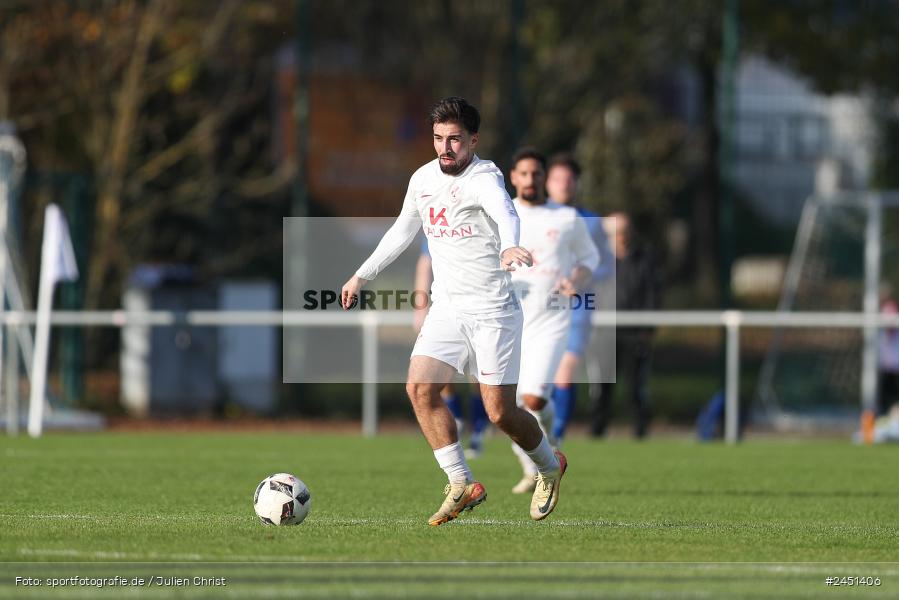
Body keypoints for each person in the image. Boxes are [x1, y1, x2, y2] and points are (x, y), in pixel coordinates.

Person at [341, 97, 566, 525]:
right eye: (438, 139)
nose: (445, 148)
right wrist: (361, 276)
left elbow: (504, 212)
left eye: (455, 140)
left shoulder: (484, 177)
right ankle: (461, 482)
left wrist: (508, 246)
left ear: (473, 140)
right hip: (447, 309)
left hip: (493, 312)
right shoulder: (423, 178)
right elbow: (400, 233)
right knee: (420, 390)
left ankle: (549, 466)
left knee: (500, 412)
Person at [506, 148, 599, 493]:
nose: (531, 180)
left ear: (545, 178)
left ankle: (550, 441)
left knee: (531, 399)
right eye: (524, 174)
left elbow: (589, 260)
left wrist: (575, 281)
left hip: (551, 321)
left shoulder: (566, 217)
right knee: (504, 408)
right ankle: (533, 466)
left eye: (537, 174)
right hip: (508, 322)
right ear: (513, 177)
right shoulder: (503, 215)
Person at [542, 153, 615, 443]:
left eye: (569, 179)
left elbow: (607, 264)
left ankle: (556, 437)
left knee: (566, 369)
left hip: (578, 307)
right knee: (538, 378)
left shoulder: (591, 223)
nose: (564, 185)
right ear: (547, 183)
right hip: (541, 308)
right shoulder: (533, 218)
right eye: (558, 179)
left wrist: (580, 277)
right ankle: (538, 438)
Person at [413, 237, 490, 459]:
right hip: (445, 310)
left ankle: (478, 432)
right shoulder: (437, 222)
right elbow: (424, 266)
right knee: (439, 372)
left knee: (477, 377)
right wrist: (420, 307)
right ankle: (455, 419)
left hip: (479, 311)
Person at [590, 212, 661, 438]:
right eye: (614, 233)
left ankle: (640, 433)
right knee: (602, 389)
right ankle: (597, 433)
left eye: (623, 231)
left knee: (636, 388)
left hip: (635, 334)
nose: (620, 237)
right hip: (604, 334)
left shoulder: (644, 259)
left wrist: (648, 330)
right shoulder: (597, 261)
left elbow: (653, 295)